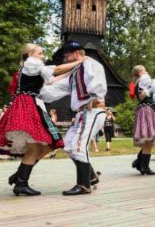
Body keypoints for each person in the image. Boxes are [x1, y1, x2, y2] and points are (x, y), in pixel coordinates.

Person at [0, 43, 79, 196]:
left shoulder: (30, 68)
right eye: (40, 53)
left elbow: (51, 79)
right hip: (27, 105)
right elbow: (55, 70)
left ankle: (20, 176)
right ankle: (21, 181)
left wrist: (71, 71)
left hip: (29, 104)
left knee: (49, 143)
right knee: (36, 146)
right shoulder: (31, 64)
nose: (43, 56)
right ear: (31, 54)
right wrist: (79, 62)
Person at [41, 41, 108, 195]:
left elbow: (97, 81)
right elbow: (54, 90)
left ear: (77, 53)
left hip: (92, 111)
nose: (65, 57)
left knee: (79, 145)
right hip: (81, 114)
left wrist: (94, 96)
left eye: (67, 54)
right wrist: (36, 91)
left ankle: (84, 185)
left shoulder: (91, 64)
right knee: (69, 145)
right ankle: (90, 176)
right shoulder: (75, 72)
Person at [130, 65, 155, 175]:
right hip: (147, 110)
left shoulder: (139, 81)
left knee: (149, 139)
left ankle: (141, 164)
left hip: (144, 109)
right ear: (142, 71)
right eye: (145, 69)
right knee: (149, 138)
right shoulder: (145, 78)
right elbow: (149, 89)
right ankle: (143, 166)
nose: (147, 70)